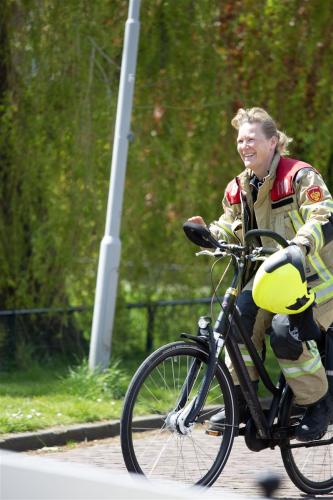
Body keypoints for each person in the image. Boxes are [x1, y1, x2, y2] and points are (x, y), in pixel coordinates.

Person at [188, 107, 333, 442]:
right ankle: (243, 402)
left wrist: (299, 246)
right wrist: (208, 236)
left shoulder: (299, 176)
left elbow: (323, 216)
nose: (243, 146)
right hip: (271, 278)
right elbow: (229, 228)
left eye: (251, 138)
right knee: (238, 320)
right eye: (240, 140)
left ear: (273, 141)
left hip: (317, 278)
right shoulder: (237, 188)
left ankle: (317, 404)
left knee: (286, 332)